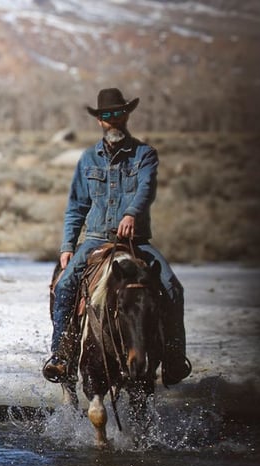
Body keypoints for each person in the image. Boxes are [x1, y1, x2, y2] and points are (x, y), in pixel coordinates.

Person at [42, 87, 191, 387]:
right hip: (96, 238)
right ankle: (61, 352)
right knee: (66, 284)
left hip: (137, 241)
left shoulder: (144, 154)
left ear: (126, 115)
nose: (112, 120)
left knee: (172, 287)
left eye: (117, 114)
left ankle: (174, 358)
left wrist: (131, 213)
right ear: (100, 121)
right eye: (106, 116)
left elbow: (145, 189)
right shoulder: (87, 159)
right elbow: (76, 205)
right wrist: (67, 246)